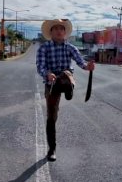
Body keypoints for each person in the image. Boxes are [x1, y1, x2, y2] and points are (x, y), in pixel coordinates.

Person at [36, 19, 95, 161]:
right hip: (51, 82)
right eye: (55, 28)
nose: (58, 31)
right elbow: (40, 66)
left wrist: (88, 67)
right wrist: (47, 74)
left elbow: (81, 62)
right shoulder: (44, 48)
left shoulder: (70, 47)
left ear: (65, 32)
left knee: (66, 74)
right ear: (51, 32)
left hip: (64, 77)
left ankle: (69, 88)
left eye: (61, 28)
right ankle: (52, 149)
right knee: (51, 117)